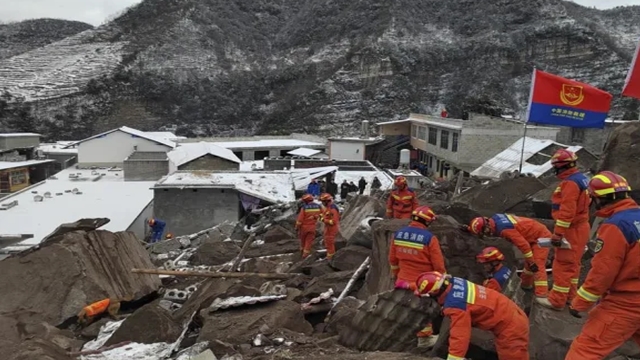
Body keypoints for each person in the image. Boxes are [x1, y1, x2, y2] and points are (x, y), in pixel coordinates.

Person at [565, 171, 640, 359]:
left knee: (584, 351)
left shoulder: (616, 225)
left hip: (626, 303)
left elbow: (602, 273)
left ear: (599, 199)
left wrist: (579, 303)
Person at [414, 272, 530, 360]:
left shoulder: (456, 306)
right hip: (510, 314)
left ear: (435, 293)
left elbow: (460, 337)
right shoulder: (454, 282)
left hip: (511, 326)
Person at [537, 149, 591, 310]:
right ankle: (570, 297)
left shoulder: (570, 184)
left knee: (562, 264)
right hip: (581, 227)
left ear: (560, 167)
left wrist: (558, 233)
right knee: (574, 265)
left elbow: (567, 211)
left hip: (571, 229)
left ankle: (556, 300)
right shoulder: (582, 179)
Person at [389, 205, 445, 348]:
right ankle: (424, 339)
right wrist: (443, 282)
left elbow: (393, 260)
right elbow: (438, 266)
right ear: (427, 222)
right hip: (423, 283)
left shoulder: (399, 234)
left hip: (402, 281)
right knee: (424, 311)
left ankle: (402, 335)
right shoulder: (429, 238)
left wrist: (397, 277)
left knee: (405, 308)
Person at [463, 214, 549, 297]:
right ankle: (525, 285)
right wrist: (469, 229)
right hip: (532, 232)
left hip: (540, 237)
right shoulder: (494, 219)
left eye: (484, 232)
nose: (486, 235)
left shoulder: (505, 230)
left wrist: (531, 262)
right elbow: (481, 225)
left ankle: (541, 295)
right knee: (529, 264)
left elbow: (524, 246)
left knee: (537, 265)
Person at [295, 194, 321, 258]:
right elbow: (322, 215)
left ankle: (302, 252)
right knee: (309, 241)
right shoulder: (318, 206)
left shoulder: (304, 208)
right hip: (312, 227)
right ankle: (305, 254)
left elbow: (300, 220)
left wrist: (297, 227)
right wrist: (315, 217)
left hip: (304, 227)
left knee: (303, 240)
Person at [319, 193, 340, 260]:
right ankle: (329, 257)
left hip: (331, 229)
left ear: (326, 201)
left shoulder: (333, 209)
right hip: (328, 229)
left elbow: (333, 221)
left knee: (330, 244)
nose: (322, 203)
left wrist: (323, 220)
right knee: (328, 244)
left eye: (322, 201)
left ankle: (331, 259)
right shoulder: (329, 207)